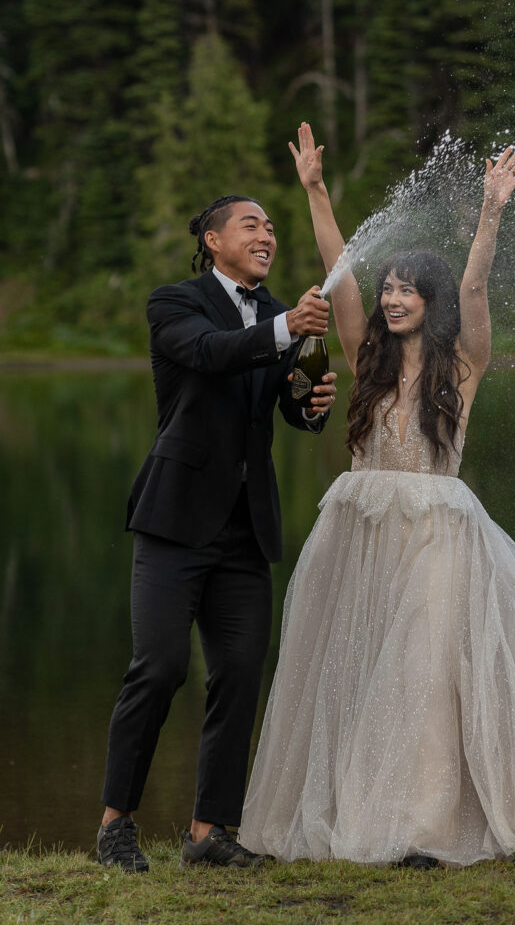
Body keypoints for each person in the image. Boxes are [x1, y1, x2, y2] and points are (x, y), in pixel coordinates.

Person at [238, 124, 515, 867]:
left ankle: (423, 831)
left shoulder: (463, 365)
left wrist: (490, 211)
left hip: (439, 534)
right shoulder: (364, 358)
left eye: (407, 289)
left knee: (423, 676)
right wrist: (315, 190)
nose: (392, 296)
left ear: (431, 300)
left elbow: (476, 285)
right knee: (356, 674)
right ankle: (368, 813)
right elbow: (337, 273)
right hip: (358, 530)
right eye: (389, 288)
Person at [97, 193, 337, 873]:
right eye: (250, 224)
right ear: (212, 239)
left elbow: (301, 407)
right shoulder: (173, 302)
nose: (266, 234)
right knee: (161, 668)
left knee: (237, 676)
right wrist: (290, 327)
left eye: (270, 226)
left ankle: (208, 833)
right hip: (173, 521)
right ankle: (116, 826)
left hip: (245, 527)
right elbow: (209, 354)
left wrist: (311, 397)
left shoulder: (286, 316)